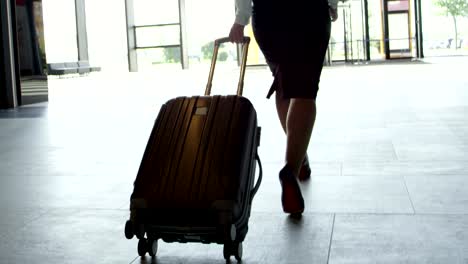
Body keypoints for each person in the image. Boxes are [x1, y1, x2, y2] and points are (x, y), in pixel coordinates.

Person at [229, 0, 338, 215]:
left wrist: (240, 19)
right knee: (304, 90)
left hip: (269, 16)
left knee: (283, 83)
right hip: (309, 13)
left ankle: (299, 155)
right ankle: (291, 167)